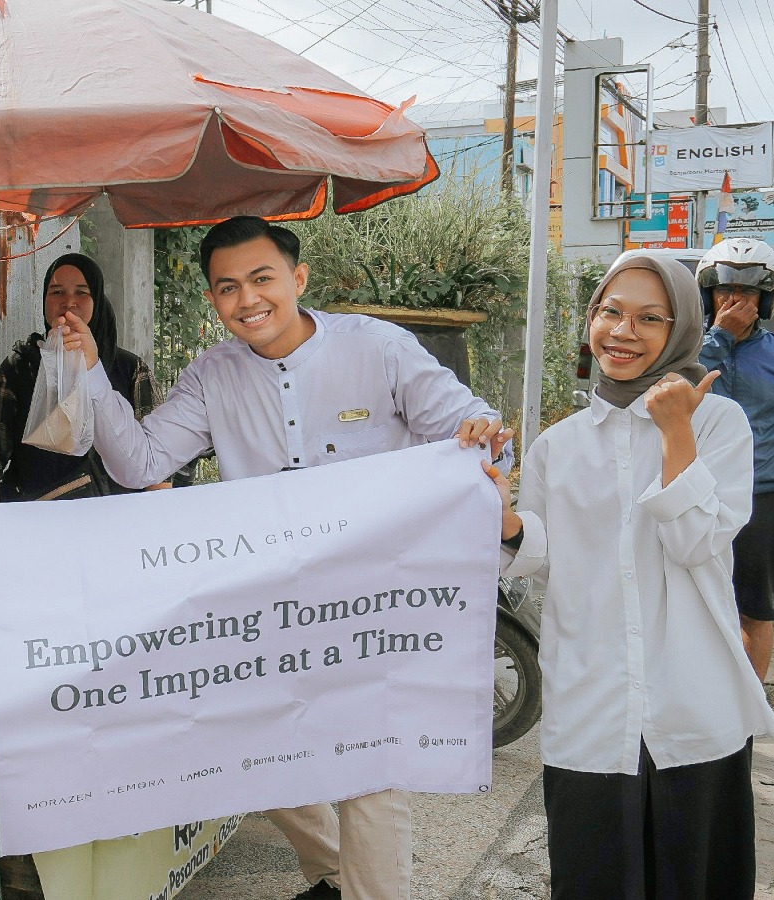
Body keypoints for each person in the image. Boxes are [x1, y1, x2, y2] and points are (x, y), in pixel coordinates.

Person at [60, 215, 510, 900]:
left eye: (262, 278)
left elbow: (471, 428)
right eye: (227, 287)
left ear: (298, 277)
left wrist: (481, 436)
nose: (247, 299)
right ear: (213, 298)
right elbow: (140, 463)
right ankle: (331, 871)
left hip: (370, 602)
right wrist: (92, 372)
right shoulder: (212, 377)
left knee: (368, 773)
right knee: (246, 750)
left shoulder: (379, 350)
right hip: (267, 611)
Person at [493, 252, 774, 898]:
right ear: (591, 319)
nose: (623, 332)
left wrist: (676, 431)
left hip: (692, 702)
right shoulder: (558, 446)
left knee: (695, 881)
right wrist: (506, 522)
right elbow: (543, 560)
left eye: (651, 318)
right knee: (593, 879)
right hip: (592, 704)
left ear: (682, 329)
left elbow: (696, 542)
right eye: (611, 312)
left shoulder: (719, 423)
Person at [0, 253, 167, 500]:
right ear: (44, 301)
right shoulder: (18, 369)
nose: (69, 302)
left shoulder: (129, 369)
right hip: (39, 516)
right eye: (57, 292)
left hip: (118, 517)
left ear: (97, 300)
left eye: (82, 292)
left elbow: (156, 460)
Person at [696, 237, 774, 681]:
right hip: (698, 494)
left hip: (763, 496)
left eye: (747, 292)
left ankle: (750, 705)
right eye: (724, 290)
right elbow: (682, 390)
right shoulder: (686, 350)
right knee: (694, 603)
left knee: (755, 607)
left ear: (765, 299)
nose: (734, 300)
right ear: (708, 295)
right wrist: (719, 338)